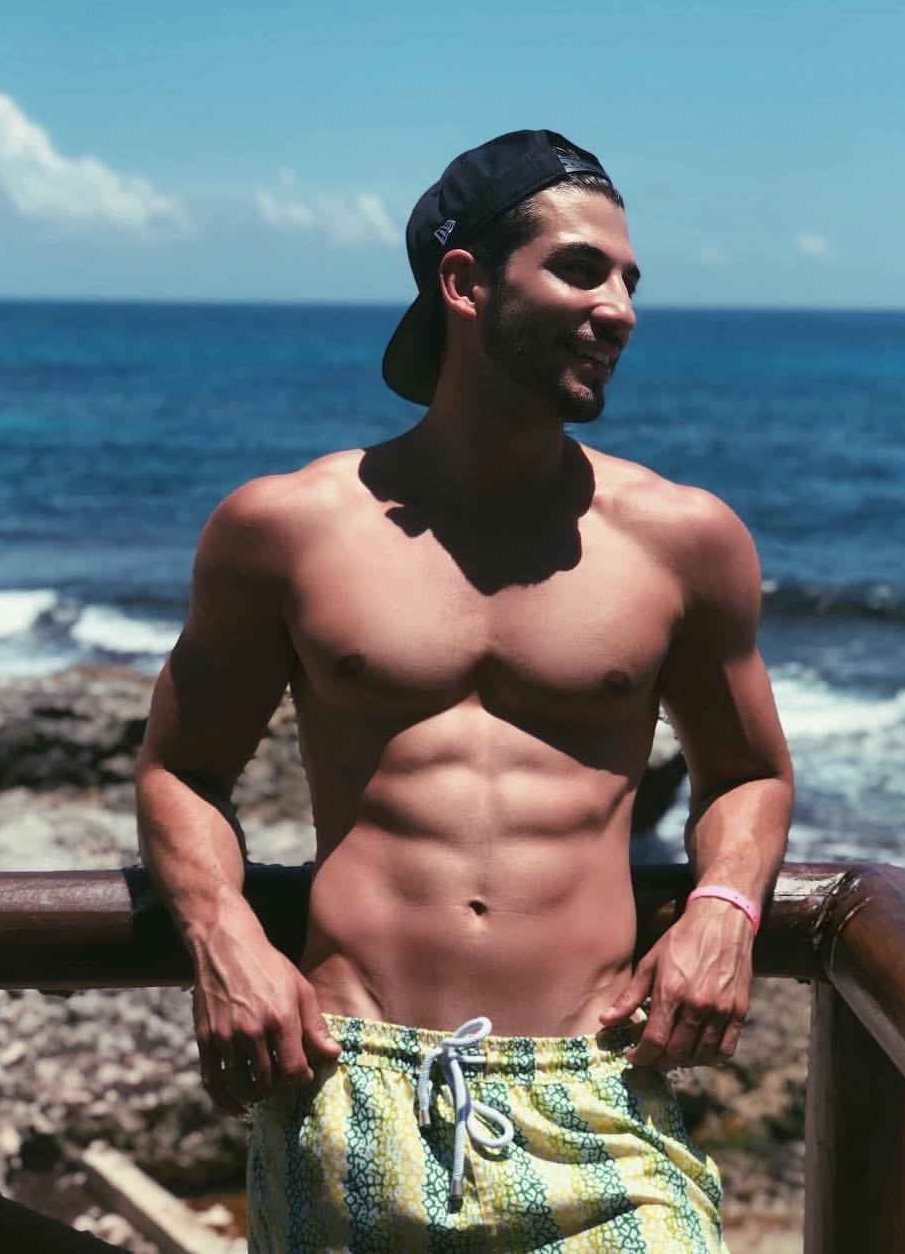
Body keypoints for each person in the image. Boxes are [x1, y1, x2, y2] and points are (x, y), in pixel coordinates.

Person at [136, 129, 794, 1252]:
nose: (621, 309)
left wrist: (725, 909)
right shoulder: (286, 529)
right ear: (464, 282)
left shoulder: (684, 540)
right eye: (582, 270)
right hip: (346, 1084)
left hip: (597, 1088)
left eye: (630, 281)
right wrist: (222, 933)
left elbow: (749, 774)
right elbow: (181, 769)